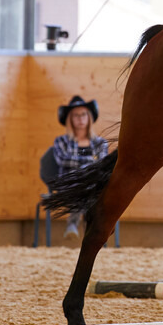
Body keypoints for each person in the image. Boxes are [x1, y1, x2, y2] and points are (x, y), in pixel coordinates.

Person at [50, 95, 109, 237]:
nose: (80, 118)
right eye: (75, 115)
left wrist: (82, 164)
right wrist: (89, 162)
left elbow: (102, 164)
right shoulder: (61, 142)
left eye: (83, 115)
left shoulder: (100, 143)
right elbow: (62, 160)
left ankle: (73, 224)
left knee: (91, 187)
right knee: (83, 186)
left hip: (93, 186)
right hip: (69, 186)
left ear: (89, 117)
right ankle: (91, 228)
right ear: (70, 119)